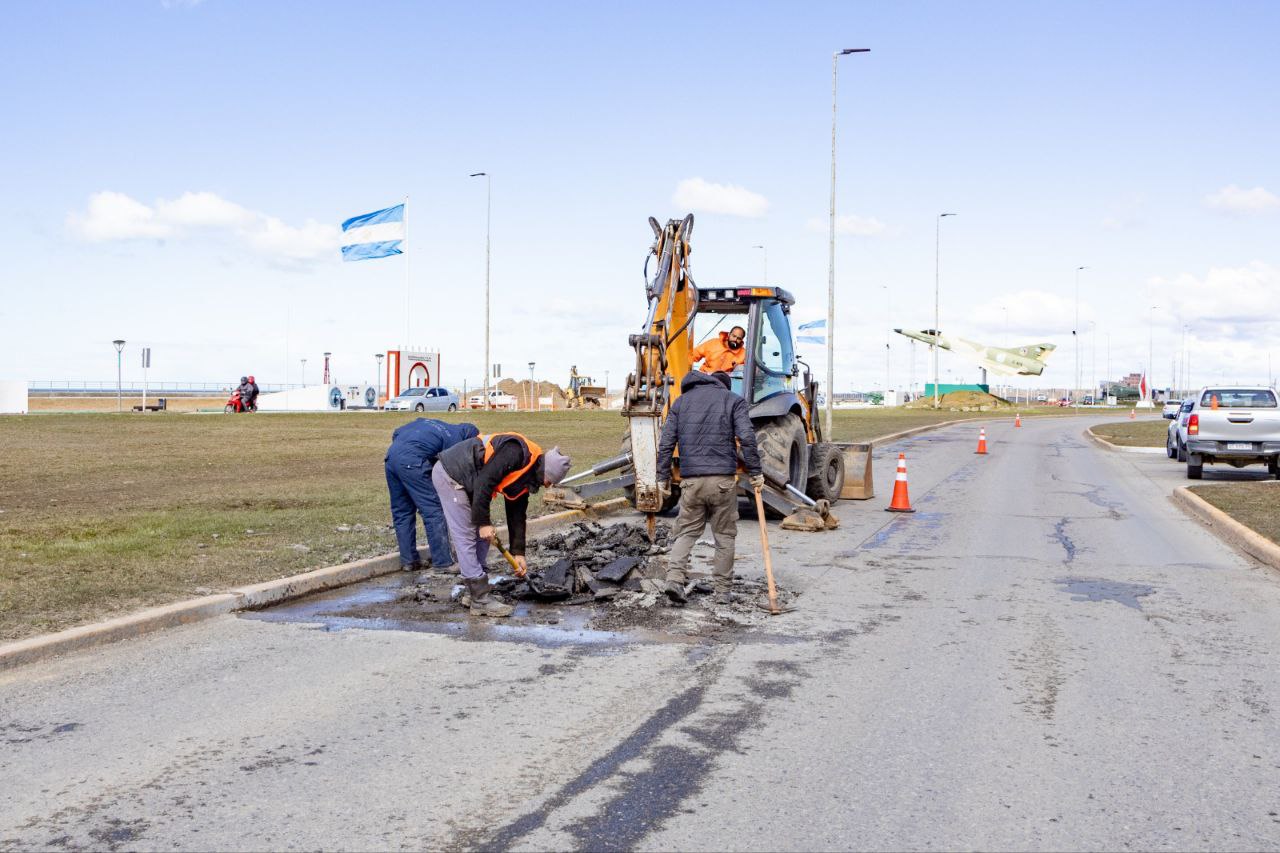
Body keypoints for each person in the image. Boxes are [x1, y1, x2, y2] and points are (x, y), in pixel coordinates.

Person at [433, 433, 572, 617]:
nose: (547, 486)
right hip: (451, 474)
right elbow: (485, 481)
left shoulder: (527, 473)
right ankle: (480, 600)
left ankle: (472, 592)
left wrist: (518, 553)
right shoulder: (515, 452)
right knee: (467, 535)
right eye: (549, 481)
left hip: (471, 480)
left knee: (482, 538)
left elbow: (517, 512)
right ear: (546, 472)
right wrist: (483, 523)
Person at [656, 370, 763, 605]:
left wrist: (662, 477)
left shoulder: (681, 402)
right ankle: (723, 592)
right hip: (723, 481)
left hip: (691, 481)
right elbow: (746, 437)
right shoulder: (733, 400)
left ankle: (674, 580)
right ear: (723, 385)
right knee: (724, 536)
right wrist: (755, 472)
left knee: (687, 532)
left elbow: (665, 443)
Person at [385, 418, 480, 572]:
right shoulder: (456, 441)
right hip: (412, 462)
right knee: (433, 510)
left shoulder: (433, 423)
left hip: (391, 458)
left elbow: (397, 433)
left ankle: (409, 561)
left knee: (402, 512)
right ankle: (443, 562)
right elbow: (450, 469)